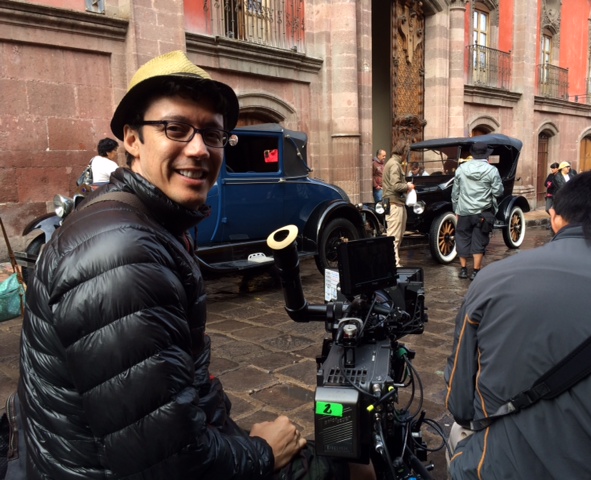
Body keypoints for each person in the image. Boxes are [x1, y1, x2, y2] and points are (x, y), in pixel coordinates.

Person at [17, 51, 373, 480]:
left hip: (118, 448)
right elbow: (171, 462)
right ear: (132, 138)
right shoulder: (123, 254)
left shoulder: (141, 223)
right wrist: (262, 451)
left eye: (212, 133)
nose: (200, 149)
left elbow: (175, 390)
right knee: (353, 470)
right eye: (176, 129)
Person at [444, 169, 591, 479]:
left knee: (458, 434)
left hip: (500, 469)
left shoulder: (493, 281)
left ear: (556, 218)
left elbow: (460, 404)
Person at [451, 142, 503, 281]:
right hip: (482, 212)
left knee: (462, 238)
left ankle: (463, 270)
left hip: (464, 211)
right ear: (486, 154)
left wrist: (456, 209)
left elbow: (455, 192)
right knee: (479, 240)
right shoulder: (492, 170)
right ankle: (475, 271)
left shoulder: (461, 169)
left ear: (472, 154)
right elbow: (498, 192)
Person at [383, 141, 415, 267]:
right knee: (394, 236)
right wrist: (408, 186)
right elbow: (395, 185)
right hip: (394, 203)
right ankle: (393, 264)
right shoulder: (395, 164)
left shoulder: (392, 163)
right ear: (404, 152)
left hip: (394, 203)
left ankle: (393, 262)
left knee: (396, 235)